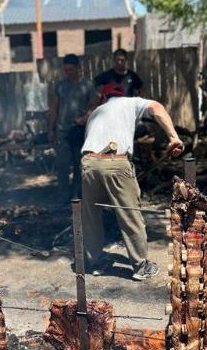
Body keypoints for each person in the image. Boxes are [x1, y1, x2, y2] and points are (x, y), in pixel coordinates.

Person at [81, 83, 184, 281]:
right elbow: (157, 108)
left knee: (91, 215)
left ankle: (96, 263)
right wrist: (173, 137)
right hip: (115, 161)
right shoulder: (131, 102)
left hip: (88, 163)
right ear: (123, 95)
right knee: (130, 213)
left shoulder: (95, 113)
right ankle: (140, 266)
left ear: (104, 97)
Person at [47, 54, 97, 200]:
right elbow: (54, 109)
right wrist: (51, 130)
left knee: (79, 165)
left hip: (79, 131)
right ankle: (63, 196)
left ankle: (77, 197)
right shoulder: (60, 86)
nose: (68, 73)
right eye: (66, 70)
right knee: (62, 165)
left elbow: (94, 106)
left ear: (78, 68)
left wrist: (85, 117)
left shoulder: (87, 86)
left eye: (71, 70)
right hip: (62, 131)